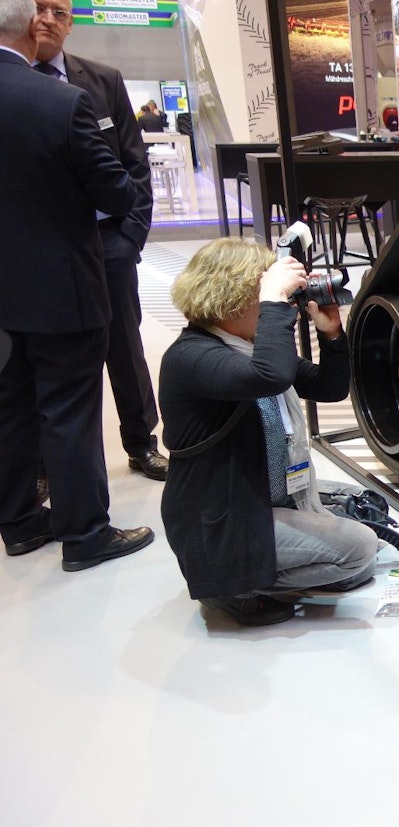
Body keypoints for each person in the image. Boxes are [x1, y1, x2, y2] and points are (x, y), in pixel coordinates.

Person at [0, 0, 155, 570]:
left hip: (7, 290)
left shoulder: (94, 83)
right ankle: (85, 535)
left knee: (11, 406)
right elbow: (116, 189)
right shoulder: (61, 102)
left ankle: (19, 522)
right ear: (27, 25)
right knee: (69, 408)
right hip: (64, 281)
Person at [160, 239, 376, 626]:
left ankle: (260, 561)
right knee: (359, 550)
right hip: (222, 516)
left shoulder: (245, 346)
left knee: (364, 504)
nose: (284, 304)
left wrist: (331, 335)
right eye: (264, 296)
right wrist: (274, 300)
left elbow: (328, 388)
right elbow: (270, 376)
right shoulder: (191, 358)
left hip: (260, 490)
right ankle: (230, 584)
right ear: (234, 299)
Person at [33, 0, 168, 480]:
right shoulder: (13, 82)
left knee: (125, 347)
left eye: (60, 11)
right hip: (41, 249)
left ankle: (141, 442)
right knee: (44, 353)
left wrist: (131, 237)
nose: (49, 19)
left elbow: (135, 163)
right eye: (40, 8)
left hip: (109, 241)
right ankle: (43, 464)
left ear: (71, 24)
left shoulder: (102, 80)